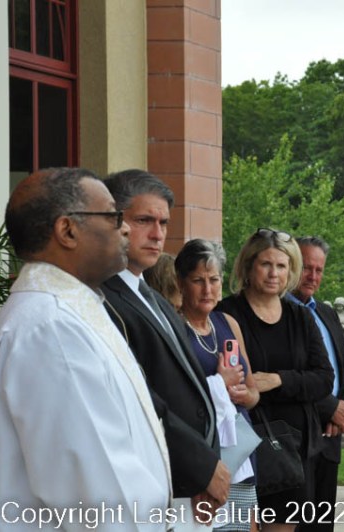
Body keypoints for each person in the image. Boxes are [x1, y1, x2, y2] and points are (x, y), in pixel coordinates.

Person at [0, 168, 170, 530]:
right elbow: (100, 495)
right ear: (68, 230)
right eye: (113, 216)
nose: (125, 229)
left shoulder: (67, 312)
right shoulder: (51, 329)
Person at [101, 169, 230, 528]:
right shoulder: (103, 299)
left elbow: (191, 388)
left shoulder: (154, 299)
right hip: (152, 479)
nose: (158, 234)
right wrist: (201, 467)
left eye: (163, 223)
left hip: (188, 482)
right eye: (144, 220)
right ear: (113, 221)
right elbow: (141, 397)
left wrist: (207, 468)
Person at [216, 228, 334, 531]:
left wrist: (278, 380)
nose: (274, 273)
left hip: (292, 454)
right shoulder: (226, 314)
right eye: (266, 264)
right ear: (248, 267)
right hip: (243, 447)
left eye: (281, 266)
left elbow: (324, 378)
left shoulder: (300, 317)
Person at [175, 239, 262, 531]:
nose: (207, 289)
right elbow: (174, 396)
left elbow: (254, 393)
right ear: (181, 283)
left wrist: (242, 394)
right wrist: (219, 383)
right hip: (201, 458)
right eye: (198, 280)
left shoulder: (227, 323)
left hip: (239, 455)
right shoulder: (174, 328)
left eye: (213, 280)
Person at [286, 236, 344, 531]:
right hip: (300, 436)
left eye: (319, 270)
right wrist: (330, 408)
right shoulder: (279, 314)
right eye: (307, 268)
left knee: (322, 524)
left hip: (331, 435)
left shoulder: (326, 313)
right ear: (292, 265)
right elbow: (290, 373)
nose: (313, 276)